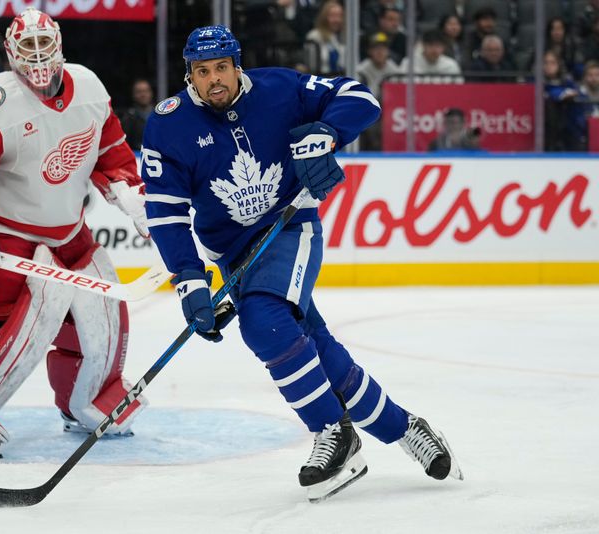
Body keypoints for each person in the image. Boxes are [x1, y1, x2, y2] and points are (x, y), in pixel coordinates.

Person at [140, 25, 463, 503]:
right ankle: (404, 427)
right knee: (313, 344)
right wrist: (190, 280)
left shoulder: (280, 88)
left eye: (221, 68)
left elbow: (361, 98)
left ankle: (335, 433)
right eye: (202, 72)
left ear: (237, 65)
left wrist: (327, 132)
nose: (214, 81)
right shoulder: (168, 125)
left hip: (292, 226)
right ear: (189, 74)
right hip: (231, 254)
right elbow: (165, 214)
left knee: (264, 323)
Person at [0, 7, 149, 459]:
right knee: (19, 319)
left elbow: (112, 153)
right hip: (11, 235)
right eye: (28, 47)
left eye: (45, 45)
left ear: (60, 44)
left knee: (103, 311)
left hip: (70, 232)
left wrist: (133, 199)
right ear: (10, 52)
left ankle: (85, 402)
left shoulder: (89, 87)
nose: (39, 56)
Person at [118, 78, 154, 150]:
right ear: (133, 95)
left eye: (146, 91)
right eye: (139, 92)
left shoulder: (160, 115)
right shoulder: (127, 118)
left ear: (151, 93)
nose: (143, 94)